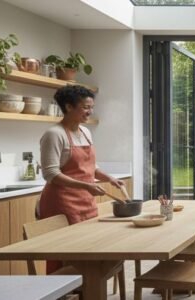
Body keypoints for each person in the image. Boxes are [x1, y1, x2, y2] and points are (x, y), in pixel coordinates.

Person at [38, 85, 126, 272]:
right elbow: (51, 174)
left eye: (91, 107)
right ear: (69, 107)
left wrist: (110, 178)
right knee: (67, 252)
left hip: (86, 201)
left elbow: (90, 167)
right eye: (85, 107)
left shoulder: (86, 132)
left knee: (89, 250)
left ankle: (88, 290)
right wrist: (86, 186)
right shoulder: (54, 134)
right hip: (62, 203)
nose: (90, 111)